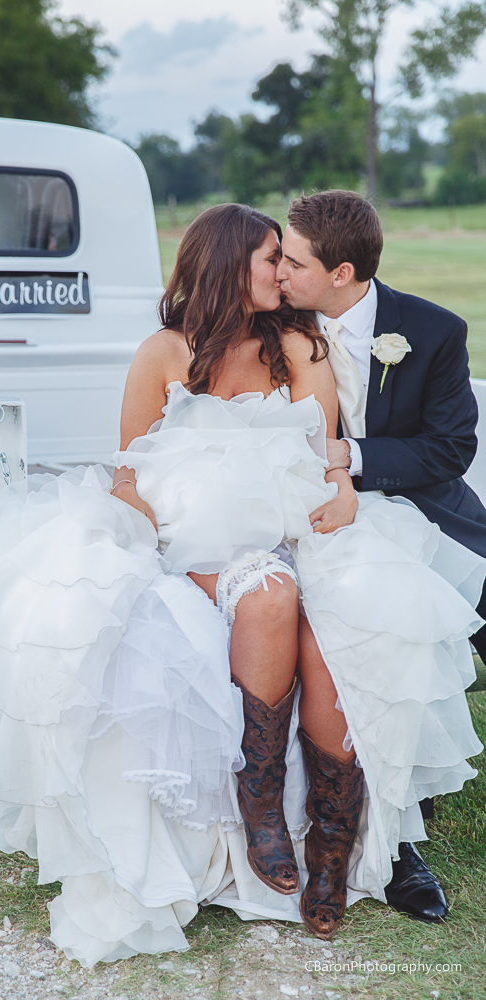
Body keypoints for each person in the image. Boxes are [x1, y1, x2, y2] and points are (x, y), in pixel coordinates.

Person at [0, 204, 484, 967]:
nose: (281, 274)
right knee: (266, 596)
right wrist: (151, 532)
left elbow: (326, 452)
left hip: (292, 524)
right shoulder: (162, 352)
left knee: (345, 623)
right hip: (195, 540)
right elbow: (130, 468)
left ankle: (335, 844)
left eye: (288, 260)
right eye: (271, 258)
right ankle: (259, 802)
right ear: (231, 265)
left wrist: (338, 493)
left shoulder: (297, 343)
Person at [276, 189, 486, 924]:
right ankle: (396, 839)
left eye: (293, 262)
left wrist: (353, 456)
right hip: (310, 516)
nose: (277, 273)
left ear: (341, 273)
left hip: (419, 506)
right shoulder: (270, 322)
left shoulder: (430, 330)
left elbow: (450, 449)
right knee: (381, 628)